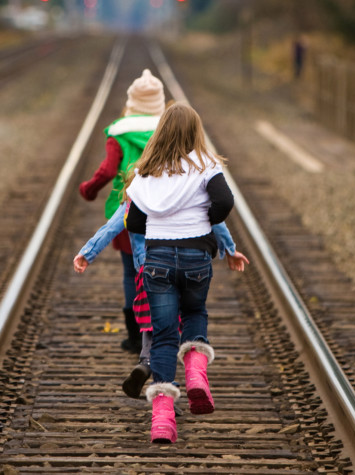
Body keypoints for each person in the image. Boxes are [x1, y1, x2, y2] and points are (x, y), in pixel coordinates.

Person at [124, 102, 249, 443]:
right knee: (194, 312)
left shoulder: (145, 171)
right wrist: (199, 219)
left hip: (158, 260)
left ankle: (163, 420)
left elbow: (134, 221)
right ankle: (195, 373)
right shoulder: (206, 165)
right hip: (196, 258)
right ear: (196, 132)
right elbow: (224, 203)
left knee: (163, 336)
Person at [72, 200, 242, 399]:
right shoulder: (188, 187)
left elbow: (111, 227)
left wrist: (87, 253)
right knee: (173, 327)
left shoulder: (138, 192)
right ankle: (175, 377)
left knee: (154, 323)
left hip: (148, 267)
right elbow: (217, 221)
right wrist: (229, 249)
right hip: (186, 260)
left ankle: (147, 363)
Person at [78, 68, 166, 355]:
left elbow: (106, 170)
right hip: (165, 208)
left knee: (131, 272)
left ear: (132, 101)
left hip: (128, 210)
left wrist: (89, 189)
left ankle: (134, 337)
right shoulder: (168, 129)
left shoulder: (119, 131)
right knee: (162, 268)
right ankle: (164, 330)